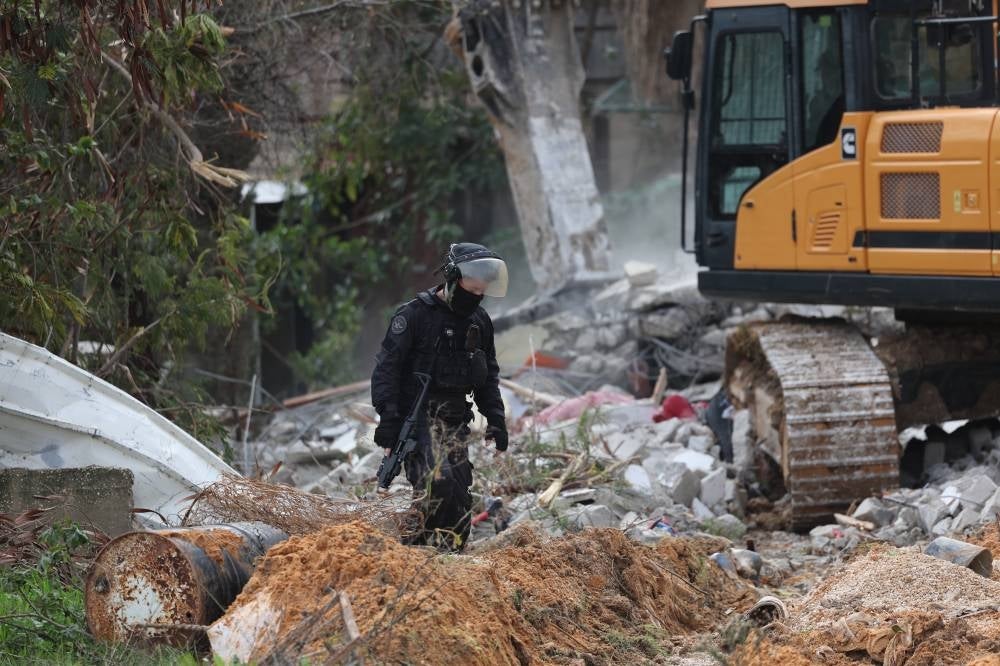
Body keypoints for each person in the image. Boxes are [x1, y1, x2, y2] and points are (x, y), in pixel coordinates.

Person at [370, 242, 509, 551]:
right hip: (417, 419)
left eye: (480, 292)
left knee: (459, 495)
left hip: (456, 420)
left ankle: (446, 557)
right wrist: (388, 422)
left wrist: (496, 420)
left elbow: (488, 377)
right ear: (451, 278)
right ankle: (415, 550)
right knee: (438, 482)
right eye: (469, 289)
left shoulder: (479, 323)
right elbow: (386, 371)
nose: (474, 297)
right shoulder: (414, 316)